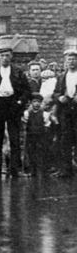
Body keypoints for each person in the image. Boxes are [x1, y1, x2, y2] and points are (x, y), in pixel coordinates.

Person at [0, 44, 29, 178]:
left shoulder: (18, 71)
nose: (5, 58)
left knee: (15, 138)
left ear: (11, 56)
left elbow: (26, 90)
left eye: (7, 55)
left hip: (13, 105)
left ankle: (15, 170)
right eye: (2, 55)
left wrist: (20, 102)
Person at [52, 48, 77, 177]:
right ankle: (66, 170)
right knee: (65, 140)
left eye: (73, 59)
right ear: (65, 62)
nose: (71, 62)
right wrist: (59, 97)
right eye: (69, 60)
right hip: (66, 111)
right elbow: (55, 93)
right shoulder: (62, 77)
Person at [22, 95, 52, 177]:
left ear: (41, 103)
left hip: (41, 136)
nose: (36, 104)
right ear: (31, 103)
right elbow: (25, 124)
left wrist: (45, 134)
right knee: (31, 152)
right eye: (34, 102)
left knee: (41, 151)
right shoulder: (27, 113)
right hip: (30, 135)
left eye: (38, 102)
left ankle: (43, 170)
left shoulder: (45, 114)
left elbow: (47, 125)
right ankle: (32, 170)